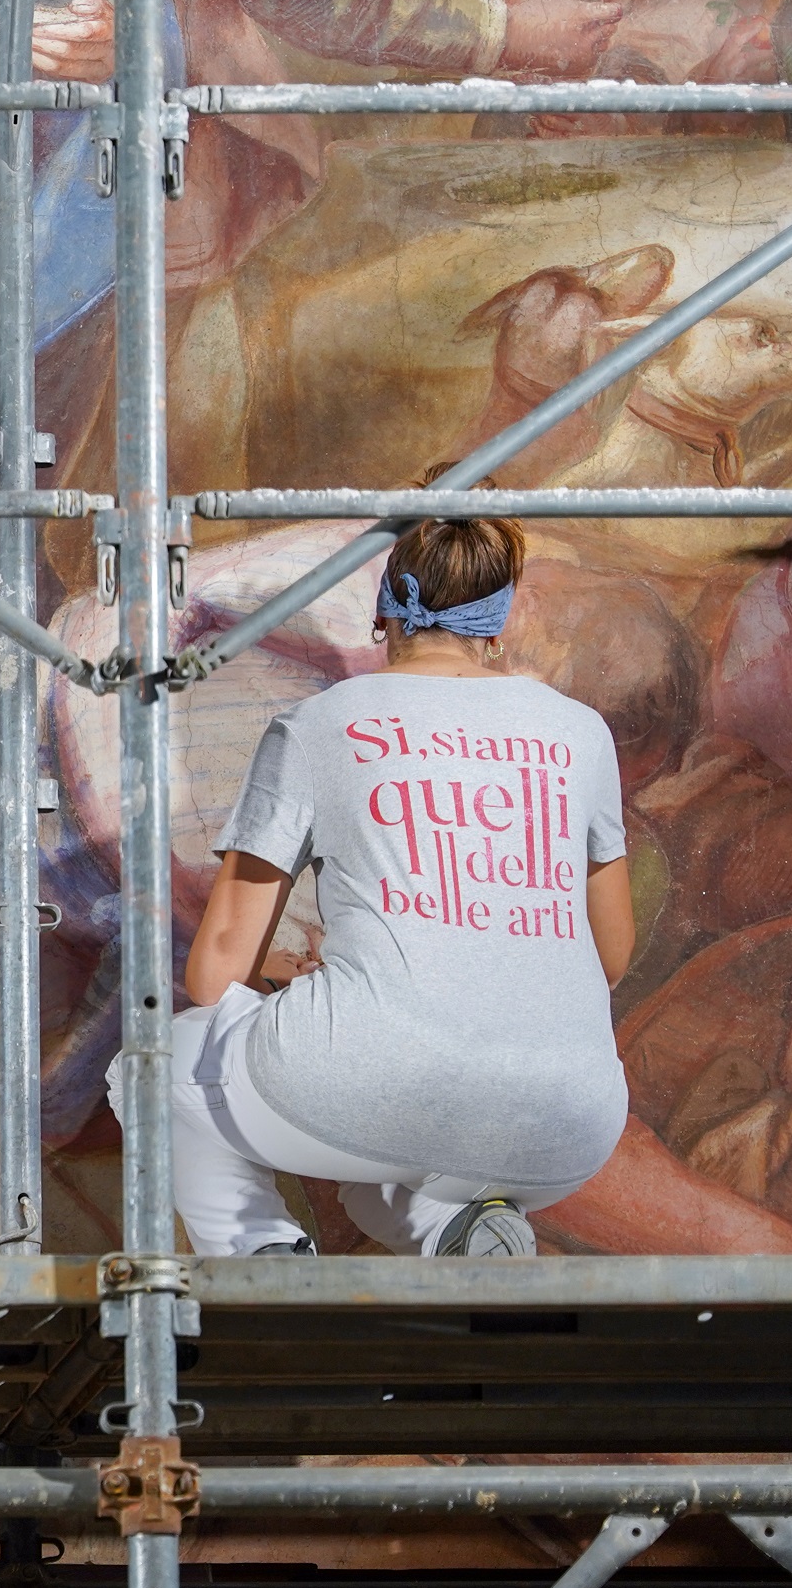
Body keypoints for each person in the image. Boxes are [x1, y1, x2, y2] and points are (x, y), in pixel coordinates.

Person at [124, 514, 635, 1258]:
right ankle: (464, 1229)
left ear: (384, 601)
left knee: (161, 1061)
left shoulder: (317, 724)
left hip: (372, 1083)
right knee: (380, 1144)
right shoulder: (579, 731)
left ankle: (258, 1256)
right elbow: (607, 957)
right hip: (569, 1126)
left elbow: (214, 974)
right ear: (501, 613)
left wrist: (291, 979)